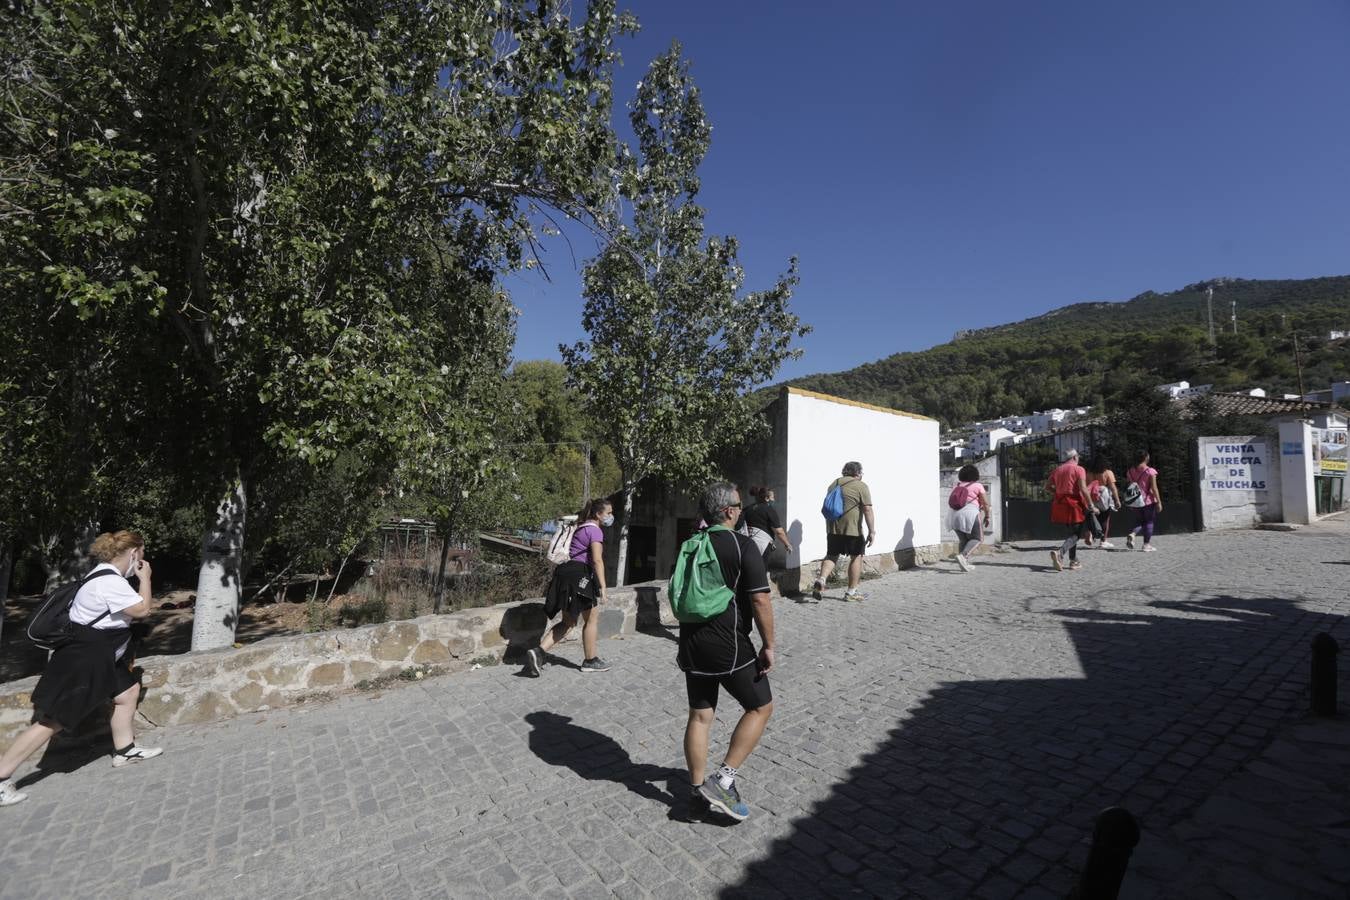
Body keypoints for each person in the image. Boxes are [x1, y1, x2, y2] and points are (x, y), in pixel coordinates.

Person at [0, 531, 162, 807]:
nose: (143, 559)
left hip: (101, 654)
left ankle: (125, 750)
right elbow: (143, 610)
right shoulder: (111, 582)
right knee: (53, 721)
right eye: (142, 553)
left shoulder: (99, 576)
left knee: (128, 692)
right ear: (133, 553)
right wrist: (145, 579)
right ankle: (2, 778)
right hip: (87, 658)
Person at [679, 482, 774, 822]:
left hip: (691, 640)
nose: (740, 509)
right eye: (738, 504)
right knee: (760, 706)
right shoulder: (743, 545)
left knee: (700, 716)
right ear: (730, 511)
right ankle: (724, 779)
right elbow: (760, 599)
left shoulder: (692, 543)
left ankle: (695, 792)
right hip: (728, 643)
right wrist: (769, 645)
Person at [525, 498, 613, 676]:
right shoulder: (595, 531)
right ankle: (590, 660)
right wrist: (603, 586)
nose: (611, 516)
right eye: (609, 513)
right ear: (598, 514)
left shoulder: (579, 527)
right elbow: (597, 560)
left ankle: (538, 652)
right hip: (579, 576)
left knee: (568, 622)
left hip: (564, 574)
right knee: (591, 620)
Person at [810, 462, 875, 602]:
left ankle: (821, 580)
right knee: (856, 556)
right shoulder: (861, 486)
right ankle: (851, 592)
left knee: (832, 555)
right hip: (853, 529)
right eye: (861, 473)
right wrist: (872, 531)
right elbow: (867, 509)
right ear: (857, 473)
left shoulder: (834, 483)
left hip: (833, 527)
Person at [738, 486, 793, 592]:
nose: (774, 499)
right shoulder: (769, 510)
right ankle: (759, 594)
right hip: (763, 544)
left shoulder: (747, 509)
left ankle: (746, 592)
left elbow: (738, 525)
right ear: (767, 498)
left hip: (747, 543)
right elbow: (779, 531)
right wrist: (787, 544)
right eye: (772, 497)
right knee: (761, 570)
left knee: (749, 568)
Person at [1046, 449, 1093, 572]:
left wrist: (1057, 492)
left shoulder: (1057, 470)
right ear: (1075, 457)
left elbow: (1047, 487)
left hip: (1060, 503)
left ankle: (1073, 560)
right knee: (1076, 535)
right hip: (1074, 504)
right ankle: (1060, 553)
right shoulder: (1079, 469)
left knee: (1072, 533)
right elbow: (1083, 488)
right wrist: (1091, 504)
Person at [947, 465, 991, 572]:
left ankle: (964, 564)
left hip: (953, 515)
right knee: (978, 538)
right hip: (970, 514)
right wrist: (987, 516)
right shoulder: (977, 485)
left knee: (964, 540)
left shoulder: (956, 485)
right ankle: (963, 555)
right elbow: (985, 503)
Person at [1126, 451, 1163, 552]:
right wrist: (1159, 502)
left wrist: (1130, 501)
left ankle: (1133, 534)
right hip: (1147, 501)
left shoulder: (1130, 471)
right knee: (1149, 522)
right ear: (1146, 458)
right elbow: (1154, 488)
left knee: (1140, 521)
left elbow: (1130, 486)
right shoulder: (1150, 471)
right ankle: (1146, 545)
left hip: (1135, 500)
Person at [1082, 457, 1122, 549]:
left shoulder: (1088, 473)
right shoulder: (1107, 472)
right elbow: (1113, 487)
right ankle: (1103, 541)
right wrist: (1117, 500)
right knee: (1105, 518)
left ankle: (1090, 533)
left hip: (1091, 495)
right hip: (1103, 495)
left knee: (1092, 517)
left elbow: (1085, 486)